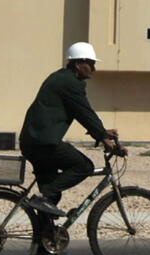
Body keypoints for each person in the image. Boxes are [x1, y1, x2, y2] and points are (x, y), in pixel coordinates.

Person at [19, 42, 119, 218]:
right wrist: (103, 137)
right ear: (78, 63)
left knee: (51, 198)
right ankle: (44, 196)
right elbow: (84, 112)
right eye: (91, 64)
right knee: (84, 166)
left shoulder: (61, 78)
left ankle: (43, 243)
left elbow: (81, 113)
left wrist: (102, 131)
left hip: (33, 142)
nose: (93, 69)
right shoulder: (69, 83)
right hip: (43, 143)